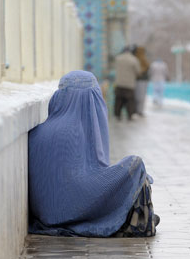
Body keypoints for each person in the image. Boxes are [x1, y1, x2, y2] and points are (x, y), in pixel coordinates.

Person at [28, 71, 159, 238]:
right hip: (69, 210)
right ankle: (136, 220)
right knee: (135, 165)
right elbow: (83, 183)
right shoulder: (74, 130)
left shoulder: (39, 130)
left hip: (45, 213)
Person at [114, 47, 141, 121]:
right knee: (130, 101)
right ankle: (130, 115)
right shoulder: (134, 59)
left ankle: (117, 115)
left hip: (119, 83)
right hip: (129, 84)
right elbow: (138, 71)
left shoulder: (118, 58)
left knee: (118, 100)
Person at [133, 46, 150, 117]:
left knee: (138, 96)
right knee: (140, 97)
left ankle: (138, 111)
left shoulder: (138, 59)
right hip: (141, 80)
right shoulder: (138, 60)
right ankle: (139, 111)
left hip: (139, 80)